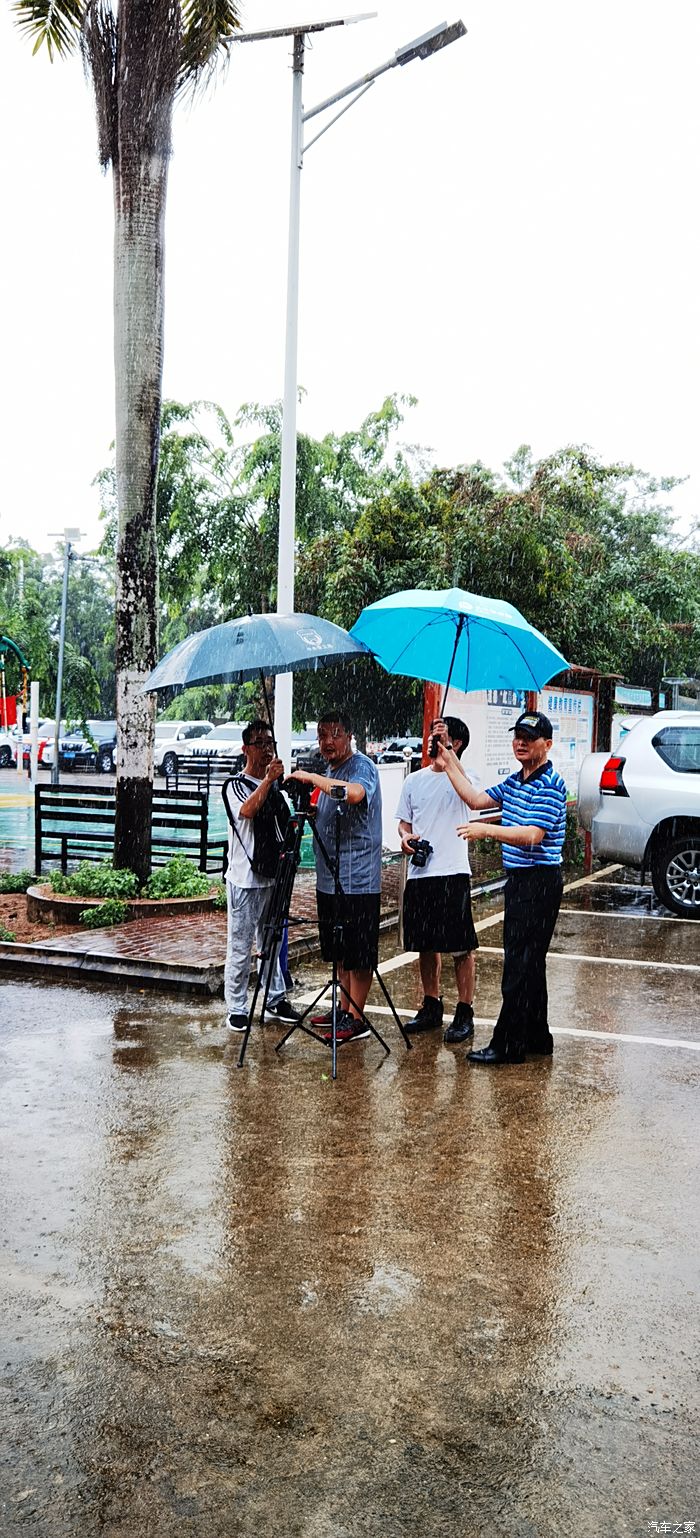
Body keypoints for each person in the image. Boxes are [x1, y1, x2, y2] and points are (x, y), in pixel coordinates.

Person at [438, 709, 567, 1065]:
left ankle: (508, 1045)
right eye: (518, 737)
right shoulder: (516, 781)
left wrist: (486, 831)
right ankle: (538, 1037)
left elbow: (531, 835)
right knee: (530, 964)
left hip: (539, 882)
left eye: (529, 737)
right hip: (521, 881)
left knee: (519, 966)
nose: (521, 743)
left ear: (547, 744)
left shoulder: (551, 784)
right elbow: (476, 800)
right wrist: (448, 757)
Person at [289, 711, 382, 1044]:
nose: (327, 742)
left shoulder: (361, 767)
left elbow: (354, 794)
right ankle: (343, 1009)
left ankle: (357, 1019)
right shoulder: (331, 769)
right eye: (322, 735)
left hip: (356, 879)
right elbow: (331, 807)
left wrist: (311, 779)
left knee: (359, 954)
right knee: (339, 950)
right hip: (329, 877)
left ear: (349, 736)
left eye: (335, 735)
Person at [396, 716, 479, 1044]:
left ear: (455, 743)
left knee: (461, 946)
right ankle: (431, 1005)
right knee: (425, 945)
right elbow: (404, 822)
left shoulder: (464, 779)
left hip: (453, 872)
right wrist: (405, 837)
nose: (430, 740)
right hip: (421, 872)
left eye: (440, 736)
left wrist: (449, 761)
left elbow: (472, 796)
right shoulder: (413, 781)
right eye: (431, 734)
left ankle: (464, 1010)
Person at [221, 720, 303, 1032]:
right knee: (240, 944)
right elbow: (247, 811)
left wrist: (284, 786)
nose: (266, 747)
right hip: (245, 878)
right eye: (259, 742)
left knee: (272, 940)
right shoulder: (234, 786)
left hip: (274, 877)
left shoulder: (277, 789)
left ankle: (275, 997)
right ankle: (238, 1006)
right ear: (245, 749)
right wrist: (268, 780)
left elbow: (287, 826)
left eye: (269, 741)